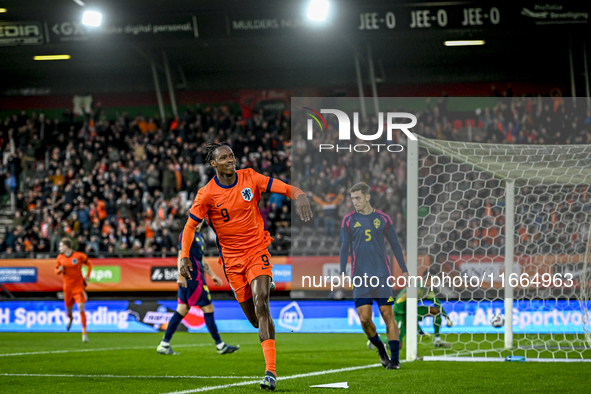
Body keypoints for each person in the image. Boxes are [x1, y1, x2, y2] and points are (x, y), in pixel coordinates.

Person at [179, 142, 312, 392]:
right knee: (255, 319)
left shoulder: (250, 177)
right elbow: (189, 226)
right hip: (231, 260)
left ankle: (270, 372)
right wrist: (184, 255)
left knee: (262, 302)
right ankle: (260, 284)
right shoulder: (206, 194)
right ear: (213, 164)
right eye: (224, 157)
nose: (231, 160)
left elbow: (279, 186)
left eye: (232, 155)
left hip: (257, 249)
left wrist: (298, 193)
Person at [340, 182, 408, 370]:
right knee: (364, 319)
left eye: (358, 198)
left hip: (381, 275)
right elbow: (344, 248)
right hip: (360, 278)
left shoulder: (383, 218)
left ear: (368, 197)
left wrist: (404, 268)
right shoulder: (348, 220)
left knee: (388, 314)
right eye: (352, 198)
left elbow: (395, 245)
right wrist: (341, 272)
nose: (355, 202)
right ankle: (381, 348)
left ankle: (395, 360)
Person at [157, 221, 240, 356]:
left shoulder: (199, 236)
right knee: (208, 308)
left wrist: (212, 275)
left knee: (182, 309)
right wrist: (181, 274)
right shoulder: (187, 232)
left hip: (196, 277)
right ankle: (220, 345)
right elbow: (181, 254)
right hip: (193, 279)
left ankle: (164, 344)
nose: (200, 220)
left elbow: (201, 259)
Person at [393, 275, 453, 349]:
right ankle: (377, 338)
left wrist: (446, 317)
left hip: (412, 310)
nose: (435, 284)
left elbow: (437, 304)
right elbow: (409, 310)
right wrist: (420, 331)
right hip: (400, 313)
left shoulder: (428, 290)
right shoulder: (417, 288)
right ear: (427, 279)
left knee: (436, 311)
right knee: (398, 345)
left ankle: (437, 340)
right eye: (433, 281)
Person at [55, 238, 92, 343]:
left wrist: (88, 275)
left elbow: (89, 263)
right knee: (68, 311)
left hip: (78, 287)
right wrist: (59, 270)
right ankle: (71, 318)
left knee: (81, 307)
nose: (59, 248)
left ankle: (84, 332)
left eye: (61, 246)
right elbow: (56, 269)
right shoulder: (60, 258)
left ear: (66, 246)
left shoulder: (78, 256)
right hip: (67, 289)